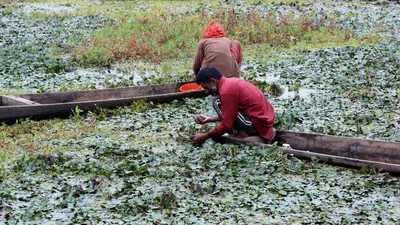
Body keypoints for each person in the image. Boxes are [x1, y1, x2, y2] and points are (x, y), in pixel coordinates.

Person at [193, 66, 276, 145]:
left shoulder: (227, 91)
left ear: (212, 81)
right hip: (264, 121)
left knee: (217, 102)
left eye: (206, 87)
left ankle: (241, 134)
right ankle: (242, 132)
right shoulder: (230, 82)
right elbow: (231, 113)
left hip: (259, 125)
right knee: (219, 102)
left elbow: (227, 124)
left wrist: (205, 136)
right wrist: (210, 119)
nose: (207, 92)